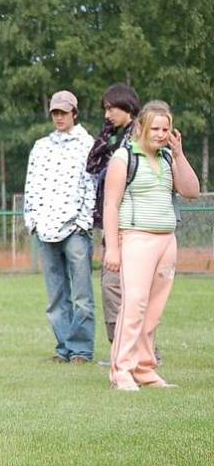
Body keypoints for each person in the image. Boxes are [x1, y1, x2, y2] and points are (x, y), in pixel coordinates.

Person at [104, 101, 199, 390]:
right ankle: (121, 370)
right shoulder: (123, 159)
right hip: (135, 238)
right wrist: (112, 248)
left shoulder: (169, 158)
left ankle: (145, 369)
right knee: (134, 304)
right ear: (141, 128)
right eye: (155, 128)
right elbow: (111, 204)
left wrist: (180, 154)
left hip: (166, 240)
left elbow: (191, 191)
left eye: (166, 128)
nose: (160, 134)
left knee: (154, 309)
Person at [24, 90, 96, 364]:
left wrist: (83, 222)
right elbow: (31, 185)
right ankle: (63, 346)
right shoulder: (41, 146)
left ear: (74, 114)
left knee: (81, 294)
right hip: (45, 228)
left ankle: (81, 350)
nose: (59, 117)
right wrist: (32, 219)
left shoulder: (87, 144)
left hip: (75, 229)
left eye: (64, 113)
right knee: (55, 295)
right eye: (55, 113)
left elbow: (92, 184)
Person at [86, 83, 140, 349]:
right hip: (112, 223)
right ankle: (120, 349)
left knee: (135, 293)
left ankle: (142, 352)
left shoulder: (139, 136)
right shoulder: (114, 136)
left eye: (111, 108)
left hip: (135, 224)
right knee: (111, 287)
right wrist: (107, 133)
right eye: (105, 109)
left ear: (127, 106)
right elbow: (92, 165)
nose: (107, 114)